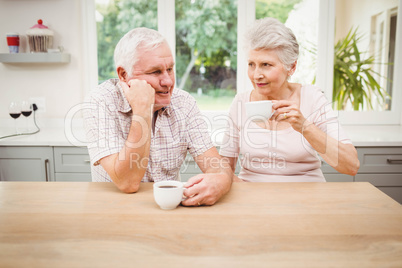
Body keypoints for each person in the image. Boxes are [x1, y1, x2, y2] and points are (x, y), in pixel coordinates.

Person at [84, 27, 232, 206]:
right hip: (113, 209)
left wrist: (221, 181)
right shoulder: (100, 101)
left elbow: (215, 163)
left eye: (170, 69)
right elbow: (127, 182)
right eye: (155, 72)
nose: (168, 81)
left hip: (167, 210)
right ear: (124, 75)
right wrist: (142, 110)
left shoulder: (184, 103)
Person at [219, 18, 360, 182]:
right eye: (251, 64)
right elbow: (224, 167)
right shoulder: (241, 102)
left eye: (266, 64)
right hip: (253, 198)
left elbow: (351, 165)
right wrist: (245, 191)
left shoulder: (312, 98)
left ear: (291, 67)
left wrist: (304, 126)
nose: (256, 75)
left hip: (306, 197)